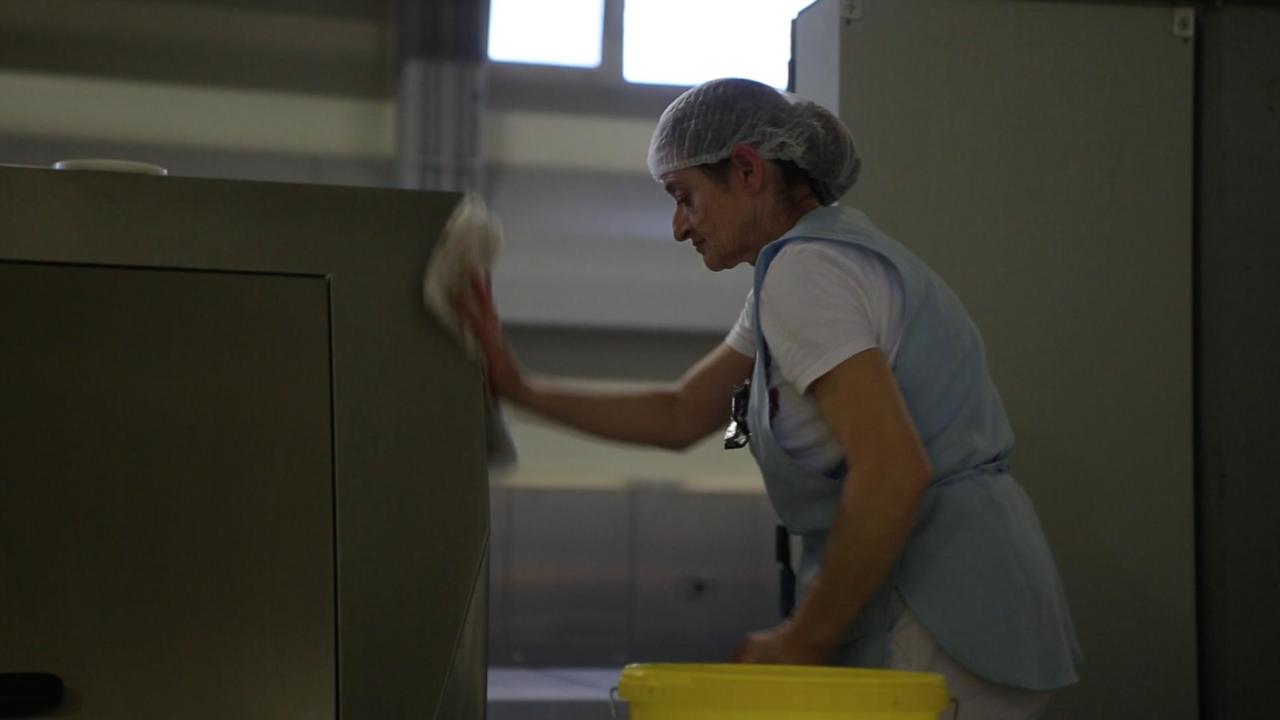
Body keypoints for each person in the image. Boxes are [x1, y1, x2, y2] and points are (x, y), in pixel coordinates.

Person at [456, 77, 1081, 719]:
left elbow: (894, 471)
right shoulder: (809, 269)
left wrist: (802, 638)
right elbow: (679, 414)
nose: (678, 227)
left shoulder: (806, 276)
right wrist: (518, 388)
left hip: (942, 614)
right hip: (965, 602)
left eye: (685, 197)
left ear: (748, 170)